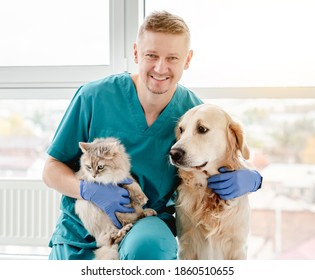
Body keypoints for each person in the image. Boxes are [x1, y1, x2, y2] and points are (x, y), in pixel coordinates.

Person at [42, 11, 262, 260]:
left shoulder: (192, 112)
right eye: (151, 56)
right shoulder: (94, 97)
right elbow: (50, 169)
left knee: (150, 248)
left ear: (187, 60)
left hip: (146, 225)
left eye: (172, 58)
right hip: (81, 232)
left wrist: (253, 178)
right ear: (136, 53)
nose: (160, 68)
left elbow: (226, 153)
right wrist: (88, 190)